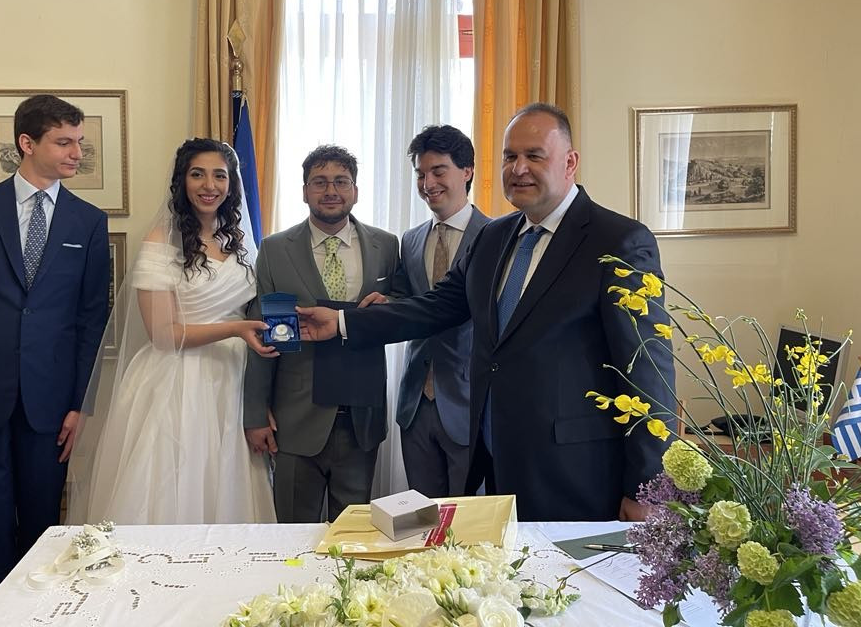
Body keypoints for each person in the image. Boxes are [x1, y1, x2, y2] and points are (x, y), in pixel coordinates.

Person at [298, 103, 676, 522]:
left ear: (570, 162)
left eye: (534, 155)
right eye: (510, 156)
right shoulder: (494, 237)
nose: (519, 168)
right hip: (496, 461)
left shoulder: (619, 240)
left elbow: (648, 372)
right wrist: (344, 322)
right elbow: (437, 306)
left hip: (579, 473)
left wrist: (647, 486)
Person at [0, 94, 110, 605]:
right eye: (64, 142)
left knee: (43, 534)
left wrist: (82, 405)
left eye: (80, 142)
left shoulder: (89, 222)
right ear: (27, 143)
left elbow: (92, 322)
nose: (77, 153)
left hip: (52, 405)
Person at [70, 138, 277, 525]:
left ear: (232, 184)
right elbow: (162, 333)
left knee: (228, 485)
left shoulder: (241, 242)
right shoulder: (160, 243)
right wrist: (235, 329)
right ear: (182, 180)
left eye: (220, 176)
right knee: (173, 484)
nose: (209, 185)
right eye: (198, 174)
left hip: (234, 380)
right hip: (176, 379)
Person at [243, 145, 400, 522]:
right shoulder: (275, 250)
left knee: (353, 537)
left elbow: (404, 308)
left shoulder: (386, 246)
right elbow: (263, 332)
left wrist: (391, 303)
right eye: (320, 182)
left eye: (341, 181)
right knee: (291, 535)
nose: (331, 191)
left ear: (355, 190)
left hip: (361, 417)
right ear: (304, 191)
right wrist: (255, 414)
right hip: (296, 418)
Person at [393, 125, 489, 497]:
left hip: (470, 403)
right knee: (421, 519)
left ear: (466, 171)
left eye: (438, 171)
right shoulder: (411, 240)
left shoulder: (496, 236)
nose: (428, 183)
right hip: (415, 404)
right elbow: (408, 305)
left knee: (470, 520)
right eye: (420, 174)